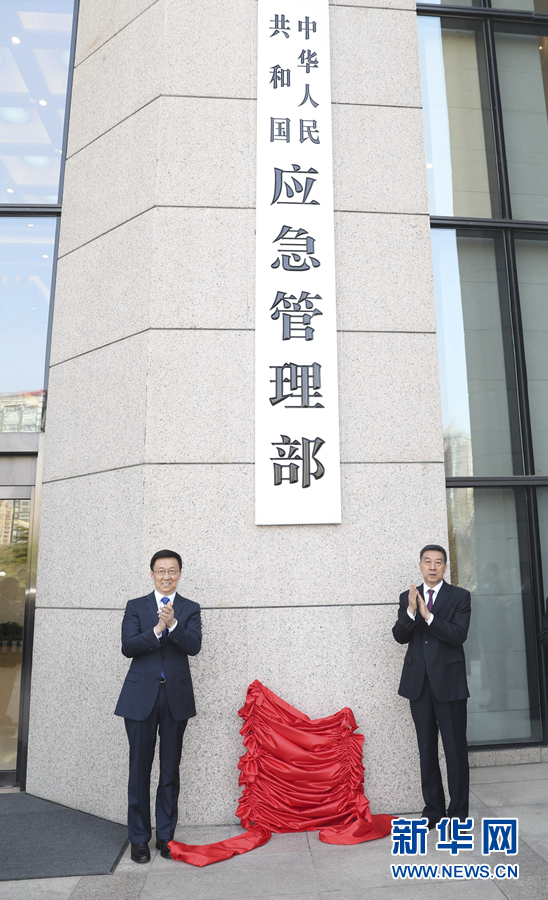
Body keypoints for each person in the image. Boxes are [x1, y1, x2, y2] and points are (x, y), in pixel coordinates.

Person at [115, 550, 202, 863]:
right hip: (140, 698)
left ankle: (165, 836)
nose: (167, 576)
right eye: (161, 571)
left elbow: (194, 646)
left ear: (179, 574)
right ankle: (139, 838)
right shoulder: (136, 606)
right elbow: (128, 647)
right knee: (139, 769)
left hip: (175, 698)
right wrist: (156, 630)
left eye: (172, 571)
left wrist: (174, 624)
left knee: (169, 770)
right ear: (152, 574)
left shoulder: (190, 608)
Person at [392, 544, 471, 827]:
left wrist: (429, 616)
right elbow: (399, 636)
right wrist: (412, 612)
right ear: (420, 566)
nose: (433, 567)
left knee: (455, 750)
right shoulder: (408, 597)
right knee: (426, 749)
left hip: (449, 684)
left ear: (445, 567)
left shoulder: (460, 596)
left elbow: (458, 635)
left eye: (438, 562)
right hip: (419, 685)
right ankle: (433, 810)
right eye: (428, 562)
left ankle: (458, 812)